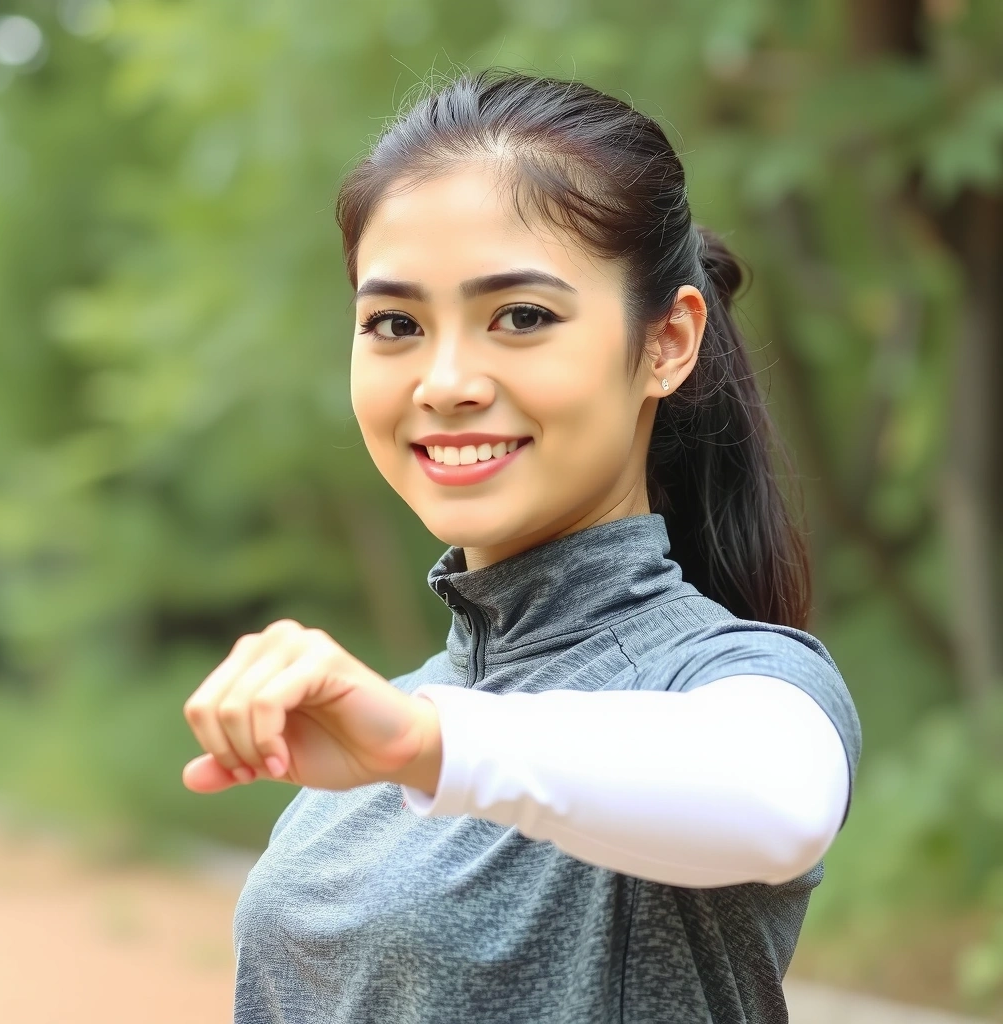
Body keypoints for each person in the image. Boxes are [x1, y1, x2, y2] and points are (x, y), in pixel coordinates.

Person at [181, 68, 862, 1024]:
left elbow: (778, 801)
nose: (446, 382)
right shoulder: (389, 725)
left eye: (522, 317)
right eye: (395, 324)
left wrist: (426, 746)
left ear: (667, 342)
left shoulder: (719, 680)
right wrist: (416, 738)